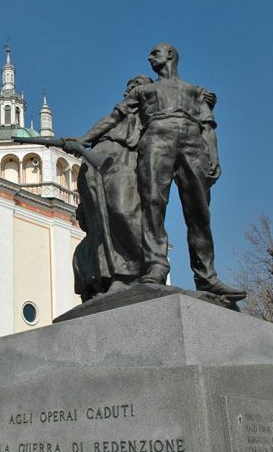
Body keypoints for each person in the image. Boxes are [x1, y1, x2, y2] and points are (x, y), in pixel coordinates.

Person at [65, 43, 244, 299]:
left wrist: (213, 155)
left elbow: (207, 126)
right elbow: (114, 117)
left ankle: (207, 277)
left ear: (170, 55)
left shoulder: (196, 91)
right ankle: (156, 268)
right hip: (156, 141)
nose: (150, 57)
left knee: (199, 212)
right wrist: (84, 139)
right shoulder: (144, 91)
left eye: (155, 53)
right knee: (152, 207)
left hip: (192, 144)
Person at [72, 75, 151, 300]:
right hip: (96, 168)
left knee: (123, 212)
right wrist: (82, 140)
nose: (130, 91)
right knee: (101, 224)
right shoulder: (119, 115)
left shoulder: (151, 113)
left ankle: (142, 271)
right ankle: (112, 277)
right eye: (129, 87)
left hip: (124, 163)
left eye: (137, 86)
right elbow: (105, 123)